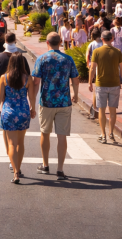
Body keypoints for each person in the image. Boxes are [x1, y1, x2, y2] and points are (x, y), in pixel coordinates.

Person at [31, 32, 79, 180]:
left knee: (45, 133)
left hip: (46, 102)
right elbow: (75, 79)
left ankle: (45, 165)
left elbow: (36, 82)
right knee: (62, 136)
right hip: (64, 102)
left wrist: (32, 102)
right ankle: (60, 168)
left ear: (47, 42)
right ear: (60, 42)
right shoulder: (68, 59)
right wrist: (75, 94)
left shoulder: (42, 59)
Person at [0, 52, 37, 184]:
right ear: (22, 64)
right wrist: (33, 109)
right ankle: (18, 169)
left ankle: (15, 173)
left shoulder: (4, 78)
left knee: (11, 144)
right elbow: (31, 97)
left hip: (8, 112)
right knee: (20, 143)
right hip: (23, 112)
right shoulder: (28, 79)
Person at [0, 33, 24, 170]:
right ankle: (13, 157)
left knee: (6, 128)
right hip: (20, 97)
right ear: (15, 41)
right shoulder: (21, 58)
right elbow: (27, 77)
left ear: (5, 40)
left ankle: (9, 154)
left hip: (4, 96)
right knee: (20, 134)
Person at [89, 30, 122, 144]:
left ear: (102, 39)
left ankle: (103, 134)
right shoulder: (117, 52)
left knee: (101, 110)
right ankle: (111, 133)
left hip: (101, 84)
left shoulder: (97, 51)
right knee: (112, 111)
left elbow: (92, 68)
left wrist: (90, 82)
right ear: (112, 39)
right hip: (115, 84)